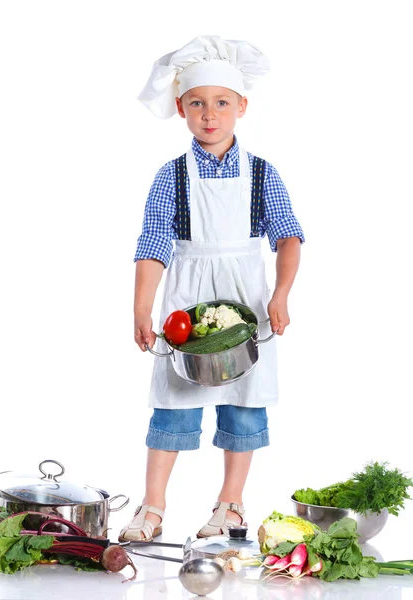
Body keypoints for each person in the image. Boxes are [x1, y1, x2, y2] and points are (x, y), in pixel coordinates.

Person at [119, 35, 305, 542]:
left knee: (243, 403)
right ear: (181, 108)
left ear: (242, 106)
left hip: (246, 299)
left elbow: (288, 237)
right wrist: (142, 306)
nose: (209, 114)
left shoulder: (262, 174)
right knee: (172, 403)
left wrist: (280, 294)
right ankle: (152, 508)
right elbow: (153, 244)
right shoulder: (171, 177)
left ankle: (230, 505)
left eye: (221, 102)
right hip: (186, 299)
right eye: (197, 103)